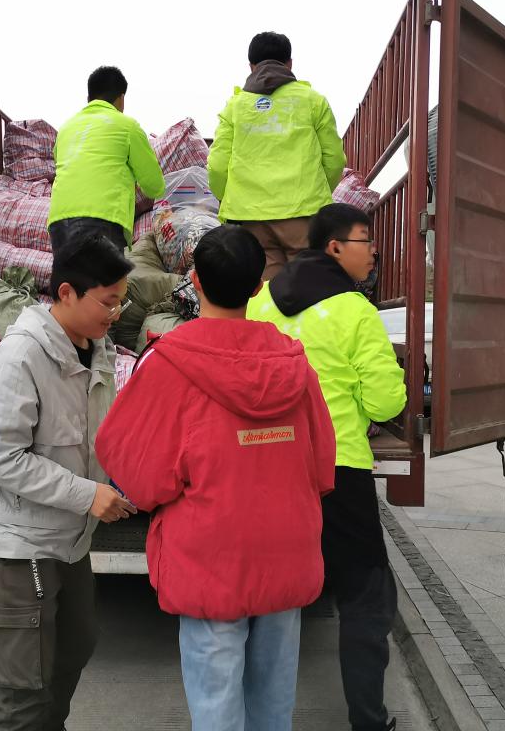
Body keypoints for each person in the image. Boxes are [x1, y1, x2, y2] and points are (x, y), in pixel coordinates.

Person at [95, 225, 336, 731]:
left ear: (196, 281)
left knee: (216, 704)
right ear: (258, 286)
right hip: (286, 548)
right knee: (275, 701)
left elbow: (135, 470)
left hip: (211, 556)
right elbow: (321, 465)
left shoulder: (167, 362)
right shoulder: (293, 362)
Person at [0, 236, 139, 731]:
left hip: (67, 540)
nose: (116, 313)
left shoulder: (95, 350)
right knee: (24, 685)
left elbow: (95, 438)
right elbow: (0, 457)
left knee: (73, 648)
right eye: (108, 301)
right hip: (18, 545)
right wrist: (88, 494)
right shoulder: (19, 358)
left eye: (121, 302)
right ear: (66, 292)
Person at [247, 203, 406, 731]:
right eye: (367, 241)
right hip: (339, 471)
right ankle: (368, 720)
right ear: (335, 247)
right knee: (365, 595)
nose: (374, 252)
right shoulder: (354, 310)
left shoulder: (261, 302)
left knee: (272, 597)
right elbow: (385, 401)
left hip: (270, 466)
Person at [207, 31, 347, 280]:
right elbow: (335, 159)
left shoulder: (235, 106)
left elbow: (217, 166)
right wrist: (316, 192)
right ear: (289, 63)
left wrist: (228, 198)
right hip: (303, 213)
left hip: (250, 216)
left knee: (266, 290)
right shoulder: (313, 101)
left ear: (251, 66)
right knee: (308, 285)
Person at [48, 65, 166, 254]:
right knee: (104, 274)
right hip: (103, 220)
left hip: (59, 222)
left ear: (88, 98)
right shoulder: (127, 126)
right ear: (121, 98)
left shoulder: (66, 128)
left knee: (71, 274)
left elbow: (60, 164)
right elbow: (154, 186)